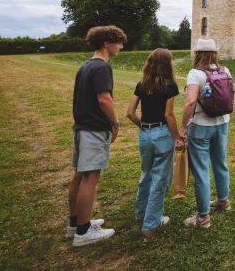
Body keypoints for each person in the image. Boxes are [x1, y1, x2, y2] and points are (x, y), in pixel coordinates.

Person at [67, 26, 126, 246]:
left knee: (80, 176)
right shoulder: (102, 68)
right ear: (106, 43)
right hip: (93, 130)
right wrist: (115, 122)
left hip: (81, 128)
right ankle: (83, 233)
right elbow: (104, 99)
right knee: (90, 178)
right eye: (118, 42)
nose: (121, 47)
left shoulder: (85, 66)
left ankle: (75, 224)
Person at [126, 49, 184, 235]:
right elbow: (169, 115)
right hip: (162, 135)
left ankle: (141, 213)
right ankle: (151, 223)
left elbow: (130, 113)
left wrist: (143, 128)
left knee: (146, 175)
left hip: (145, 133)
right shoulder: (169, 85)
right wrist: (177, 137)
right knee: (159, 179)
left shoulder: (141, 84)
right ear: (168, 64)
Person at [182, 39, 232, 228]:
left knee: (201, 170)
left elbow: (190, 102)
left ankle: (203, 217)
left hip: (201, 125)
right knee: (220, 163)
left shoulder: (195, 74)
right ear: (214, 54)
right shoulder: (225, 71)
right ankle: (223, 200)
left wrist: (183, 126)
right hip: (222, 123)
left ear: (197, 54)